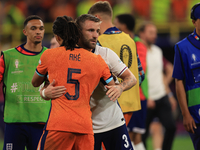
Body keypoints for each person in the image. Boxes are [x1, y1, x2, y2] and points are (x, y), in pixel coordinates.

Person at [42, 14, 136, 150]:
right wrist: (45, 93)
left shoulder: (105, 54)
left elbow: (131, 78)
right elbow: (43, 84)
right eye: (90, 30)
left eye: (98, 31)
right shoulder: (61, 56)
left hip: (113, 123)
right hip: (85, 128)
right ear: (78, 32)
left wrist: (120, 88)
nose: (95, 35)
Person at [1, 15, 51, 150]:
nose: (38, 32)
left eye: (41, 28)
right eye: (33, 28)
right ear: (25, 32)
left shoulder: (51, 57)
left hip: (42, 121)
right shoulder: (8, 56)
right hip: (15, 122)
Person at [88, 1, 141, 125]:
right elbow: (140, 74)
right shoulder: (130, 39)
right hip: (131, 103)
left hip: (110, 105)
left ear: (97, 18)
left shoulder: (98, 42)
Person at [138, 22, 176, 150]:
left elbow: (161, 74)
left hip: (161, 95)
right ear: (142, 34)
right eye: (151, 33)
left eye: (155, 33)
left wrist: (169, 94)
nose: (154, 36)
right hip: (147, 98)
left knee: (171, 127)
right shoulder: (138, 52)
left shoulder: (157, 51)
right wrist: (146, 97)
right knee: (142, 133)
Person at [114, 14, 148, 150]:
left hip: (135, 97)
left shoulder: (137, 44)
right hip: (127, 97)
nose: (113, 27)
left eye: (116, 24)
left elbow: (140, 72)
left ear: (124, 26)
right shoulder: (128, 42)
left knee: (131, 137)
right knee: (132, 137)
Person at [172, 3, 200, 150]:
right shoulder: (182, 47)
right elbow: (179, 82)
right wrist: (185, 114)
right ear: (194, 22)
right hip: (197, 116)